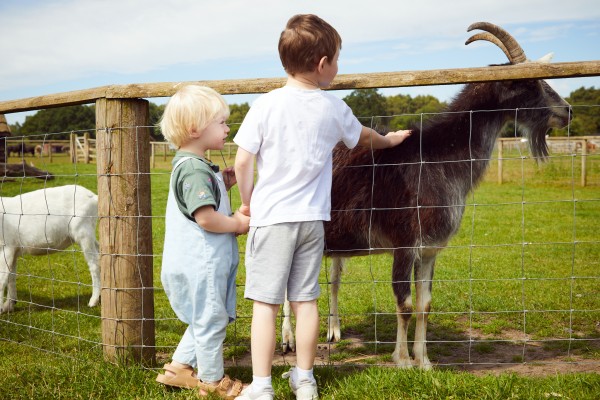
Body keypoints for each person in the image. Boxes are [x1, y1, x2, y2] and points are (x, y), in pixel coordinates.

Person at [233, 14, 411, 400]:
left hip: (273, 221)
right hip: (313, 222)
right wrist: (390, 139)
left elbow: (243, 162)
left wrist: (247, 203)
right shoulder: (333, 108)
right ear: (321, 64)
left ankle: (262, 386)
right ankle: (305, 380)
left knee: (265, 303)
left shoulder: (265, 106)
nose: (338, 67)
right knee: (306, 302)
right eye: (337, 59)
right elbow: (364, 137)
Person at [156, 85, 250, 400]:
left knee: (205, 317)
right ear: (196, 129)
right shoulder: (195, 170)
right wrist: (237, 223)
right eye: (221, 122)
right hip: (202, 264)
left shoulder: (191, 166)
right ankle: (213, 382)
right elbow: (206, 218)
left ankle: (179, 369)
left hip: (195, 262)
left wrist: (222, 181)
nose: (227, 129)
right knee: (211, 322)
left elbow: (199, 198)